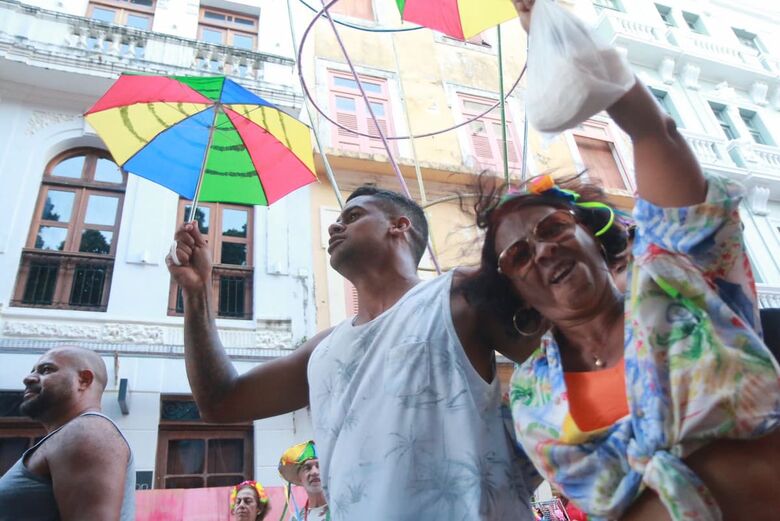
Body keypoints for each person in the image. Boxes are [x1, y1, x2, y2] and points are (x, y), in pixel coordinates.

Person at [466, 1, 780, 520]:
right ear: (516, 290)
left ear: (591, 234)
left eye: (553, 228)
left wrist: (558, 37)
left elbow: (656, 135)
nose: (543, 250)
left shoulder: (678, 276)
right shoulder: (529, 394)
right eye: (520, 255)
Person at [167, 183, 541, 519]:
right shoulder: (323, 348)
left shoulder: (457, 297)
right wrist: (198, 294)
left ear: (399, 226)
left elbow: (570, 360)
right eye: (338, 219)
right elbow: (220, 402)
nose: (334, 226)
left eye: (354, 216)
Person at [0, 345, 135, 521]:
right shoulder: (70, 435)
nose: (28, 378)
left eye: (46, 370)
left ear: (84, 380)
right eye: (33, 370)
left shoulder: (86, 432)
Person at [278, 441, 327, 520]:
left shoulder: (341, 511)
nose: (314, 472)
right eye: (307, 468)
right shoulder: (295, 518)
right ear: (299, 479)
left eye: (319, 466)